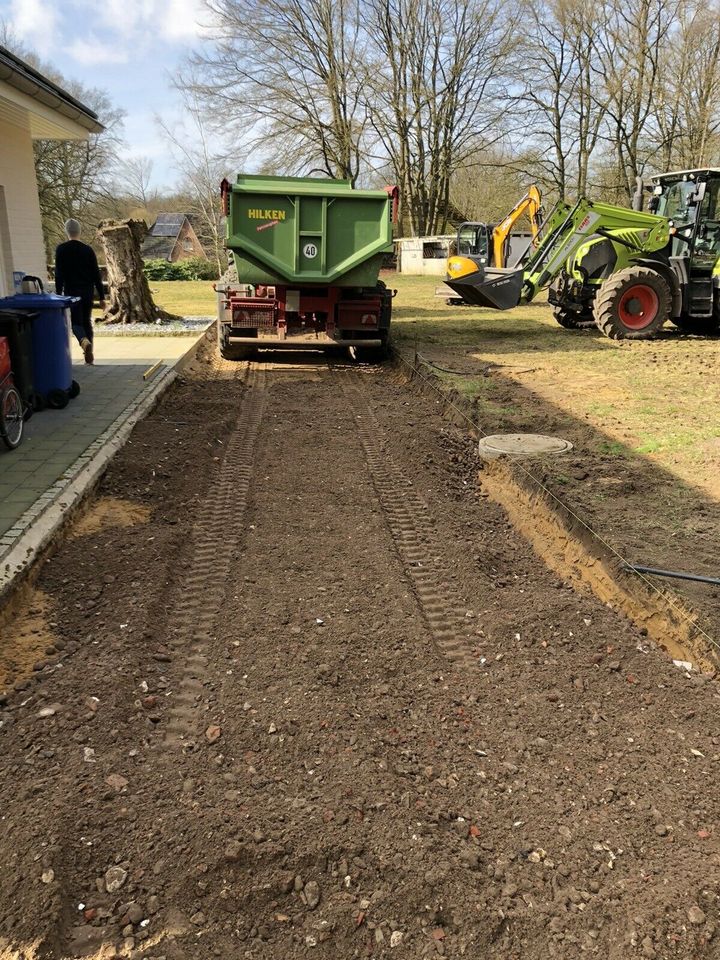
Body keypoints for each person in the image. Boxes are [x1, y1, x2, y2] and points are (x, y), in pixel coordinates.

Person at [54, 219, 105, 364]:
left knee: (76, 322)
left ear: (67, 231)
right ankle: (89, 357)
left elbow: (59, 274)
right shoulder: (88, 250)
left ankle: (83, 341)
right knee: (87, 321)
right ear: (79, 231)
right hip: (87, 291)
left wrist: (58, 294)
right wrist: (101, 296)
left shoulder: (61, 249)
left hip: (72, 291)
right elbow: (96, 274)